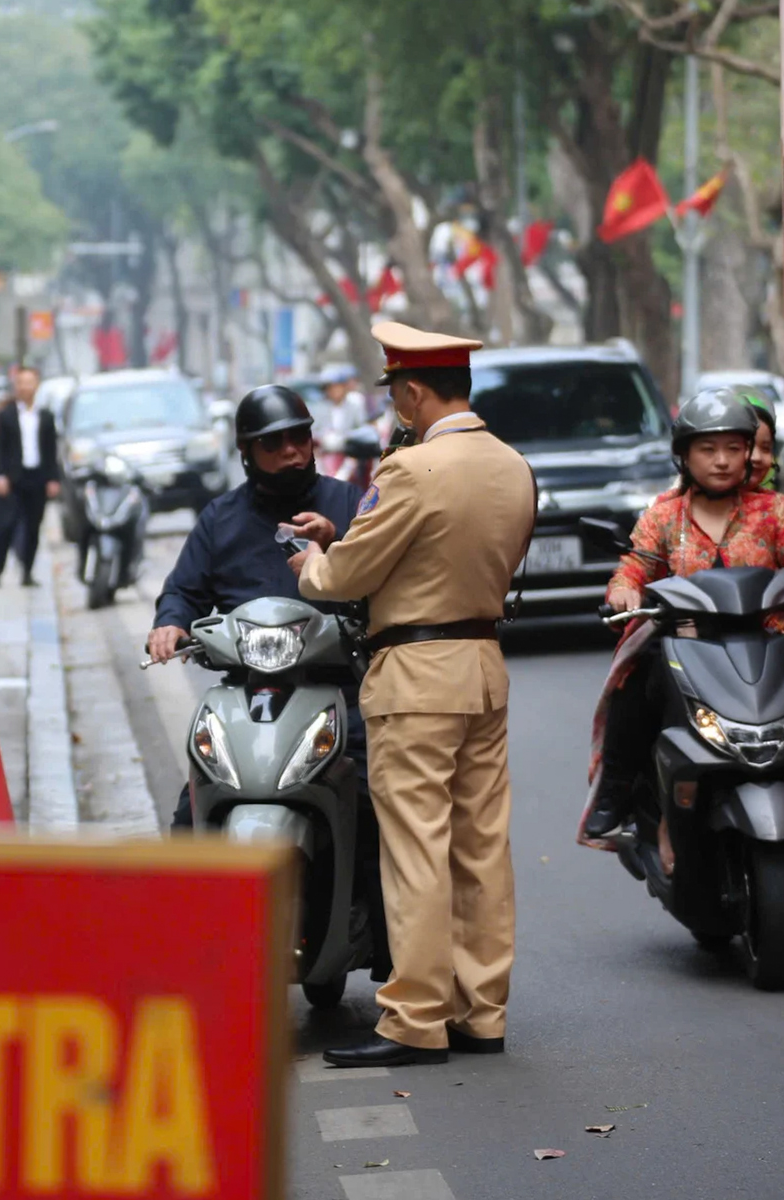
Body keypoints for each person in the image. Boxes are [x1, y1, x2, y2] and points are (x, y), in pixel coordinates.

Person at [287, 322, 537, 1068]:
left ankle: (416, 1017)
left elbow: (347, 577)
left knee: (417, 849)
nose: (398, 407)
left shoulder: (412, 470)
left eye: (399, 394)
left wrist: (313, 561)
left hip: (416, 674)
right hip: (483, 664)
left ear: (412, 393)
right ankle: (480, 1011)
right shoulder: (512, 465)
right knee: (481, 847)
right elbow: (454, 552)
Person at [582, 389, 784, 841]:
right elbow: (633, 566)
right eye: (708, 449)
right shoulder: (663, 517)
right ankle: (617, 792)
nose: (723, 460)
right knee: (635, 685)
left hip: (767, 642)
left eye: (734, 448)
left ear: (749, 452)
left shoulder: (773, 511)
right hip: (685, 644)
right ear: (684, 456)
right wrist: (623, 589)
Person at [149, 385, 365, 826]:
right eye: (272, 442)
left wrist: (336, 542)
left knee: (375, 807)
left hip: (339, 691)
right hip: (247, 697)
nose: (290, 451)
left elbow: (383, 578)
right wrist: (170, 623)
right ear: (246, 451)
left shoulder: (350, 505)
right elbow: (183, 590)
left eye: (298, 438)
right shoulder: (219, 519)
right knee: (192, 818)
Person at [0, 365, 61, 587]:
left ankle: (27, 571)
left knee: (33, 526)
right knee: (6, 524)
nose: (26, 387)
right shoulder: (4, 416)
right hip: (11, 478)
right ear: (16, 386)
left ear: (37, 385)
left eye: (30, 382)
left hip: (37, 477)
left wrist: (53, 478)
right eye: (21, 383)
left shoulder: (46, 416)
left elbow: (51, 450)